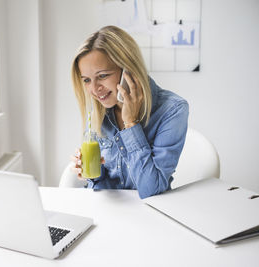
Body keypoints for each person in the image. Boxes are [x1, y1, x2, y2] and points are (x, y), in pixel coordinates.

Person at [70, 25, 189, 199]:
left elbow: (150, 190)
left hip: (149, 214)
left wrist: (131, 124)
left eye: (102, 76)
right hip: (111, 212)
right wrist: (91, 173)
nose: (94, 89)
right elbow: (102, 186)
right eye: (87, 80)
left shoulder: (172, 110)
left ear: (129, 70)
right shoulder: (98, 110)